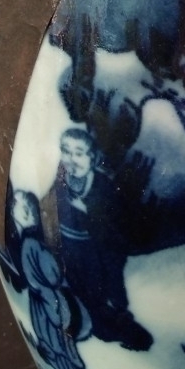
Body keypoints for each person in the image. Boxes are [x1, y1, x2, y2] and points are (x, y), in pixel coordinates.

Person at [41, 128, 154, 352]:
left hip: (94, 250)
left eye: (79, 153)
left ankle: (121, 329)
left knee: (98, 292)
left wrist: (87, 210)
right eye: (66, 151)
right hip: (66, 247)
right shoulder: (62, 177)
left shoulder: (102, 185)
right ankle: (81, 324)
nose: (72, 159)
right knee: (72, 290)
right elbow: (49, 205)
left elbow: (116, 227)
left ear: (92, 158)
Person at [10, 187, 103, 369]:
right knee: (55, 344)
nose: (13, 210)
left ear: (26, 214)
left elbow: (52, 275)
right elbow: (50, 274)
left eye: (16, 206)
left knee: (58, 345)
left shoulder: (32, 244)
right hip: (45, 302)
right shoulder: (32, 242)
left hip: (49, 303)